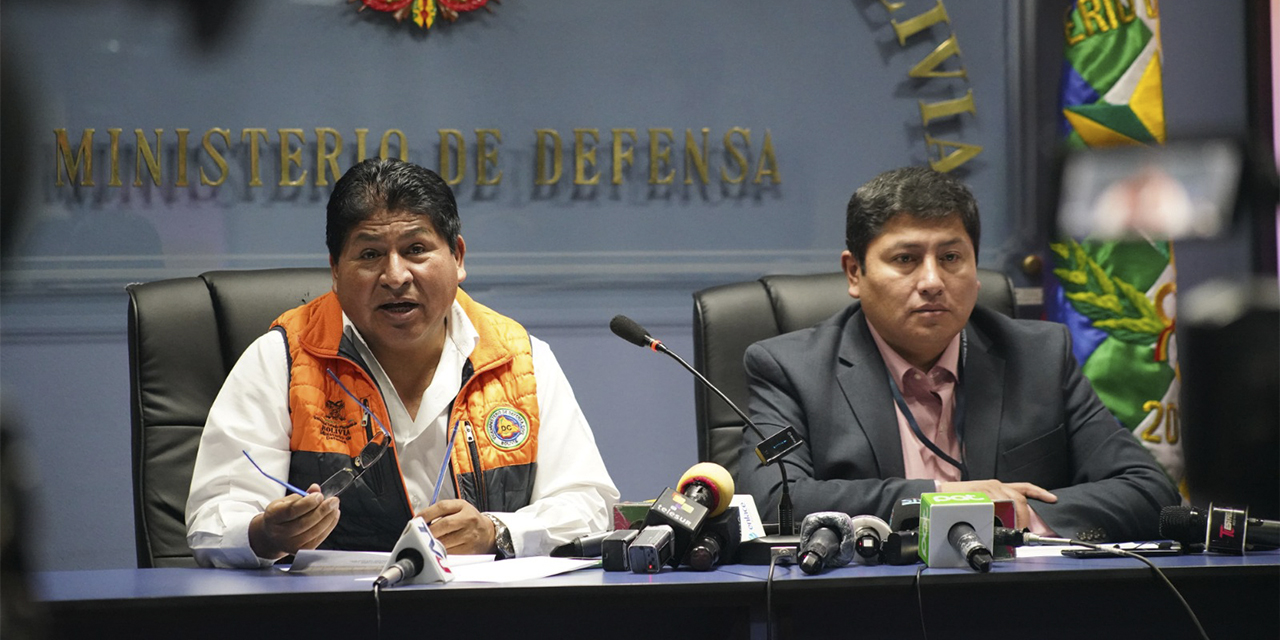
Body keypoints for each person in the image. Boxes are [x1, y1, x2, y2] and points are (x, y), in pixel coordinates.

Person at [186, 158, 619, 568]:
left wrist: (497, 531)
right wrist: (265, 533)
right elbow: (213, 519)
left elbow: (589, 502)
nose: (395, 276)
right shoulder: (283, 358)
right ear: (335, 271)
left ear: (458, 257)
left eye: (416, 249)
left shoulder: (518, 358)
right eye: (370, 254)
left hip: (483, 613)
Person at [737, 166, 1179, 542]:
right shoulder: (792, 370)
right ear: (855, 272)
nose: (932, 280)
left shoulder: (1039, 357)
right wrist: (943, 500)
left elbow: (1150, 491)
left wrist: (1012, 517)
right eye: (906, 259)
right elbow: (771, 502)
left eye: (951, 257)